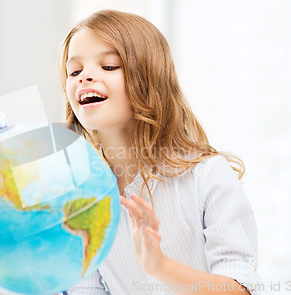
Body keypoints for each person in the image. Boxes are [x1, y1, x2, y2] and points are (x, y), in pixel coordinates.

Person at [57, 9, 260, 295]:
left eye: (110, 66)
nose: (84, 77)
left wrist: (159, 266)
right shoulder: (79, 196)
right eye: (74, 71)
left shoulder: (206, 175)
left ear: (148, 79)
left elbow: (240, 289)